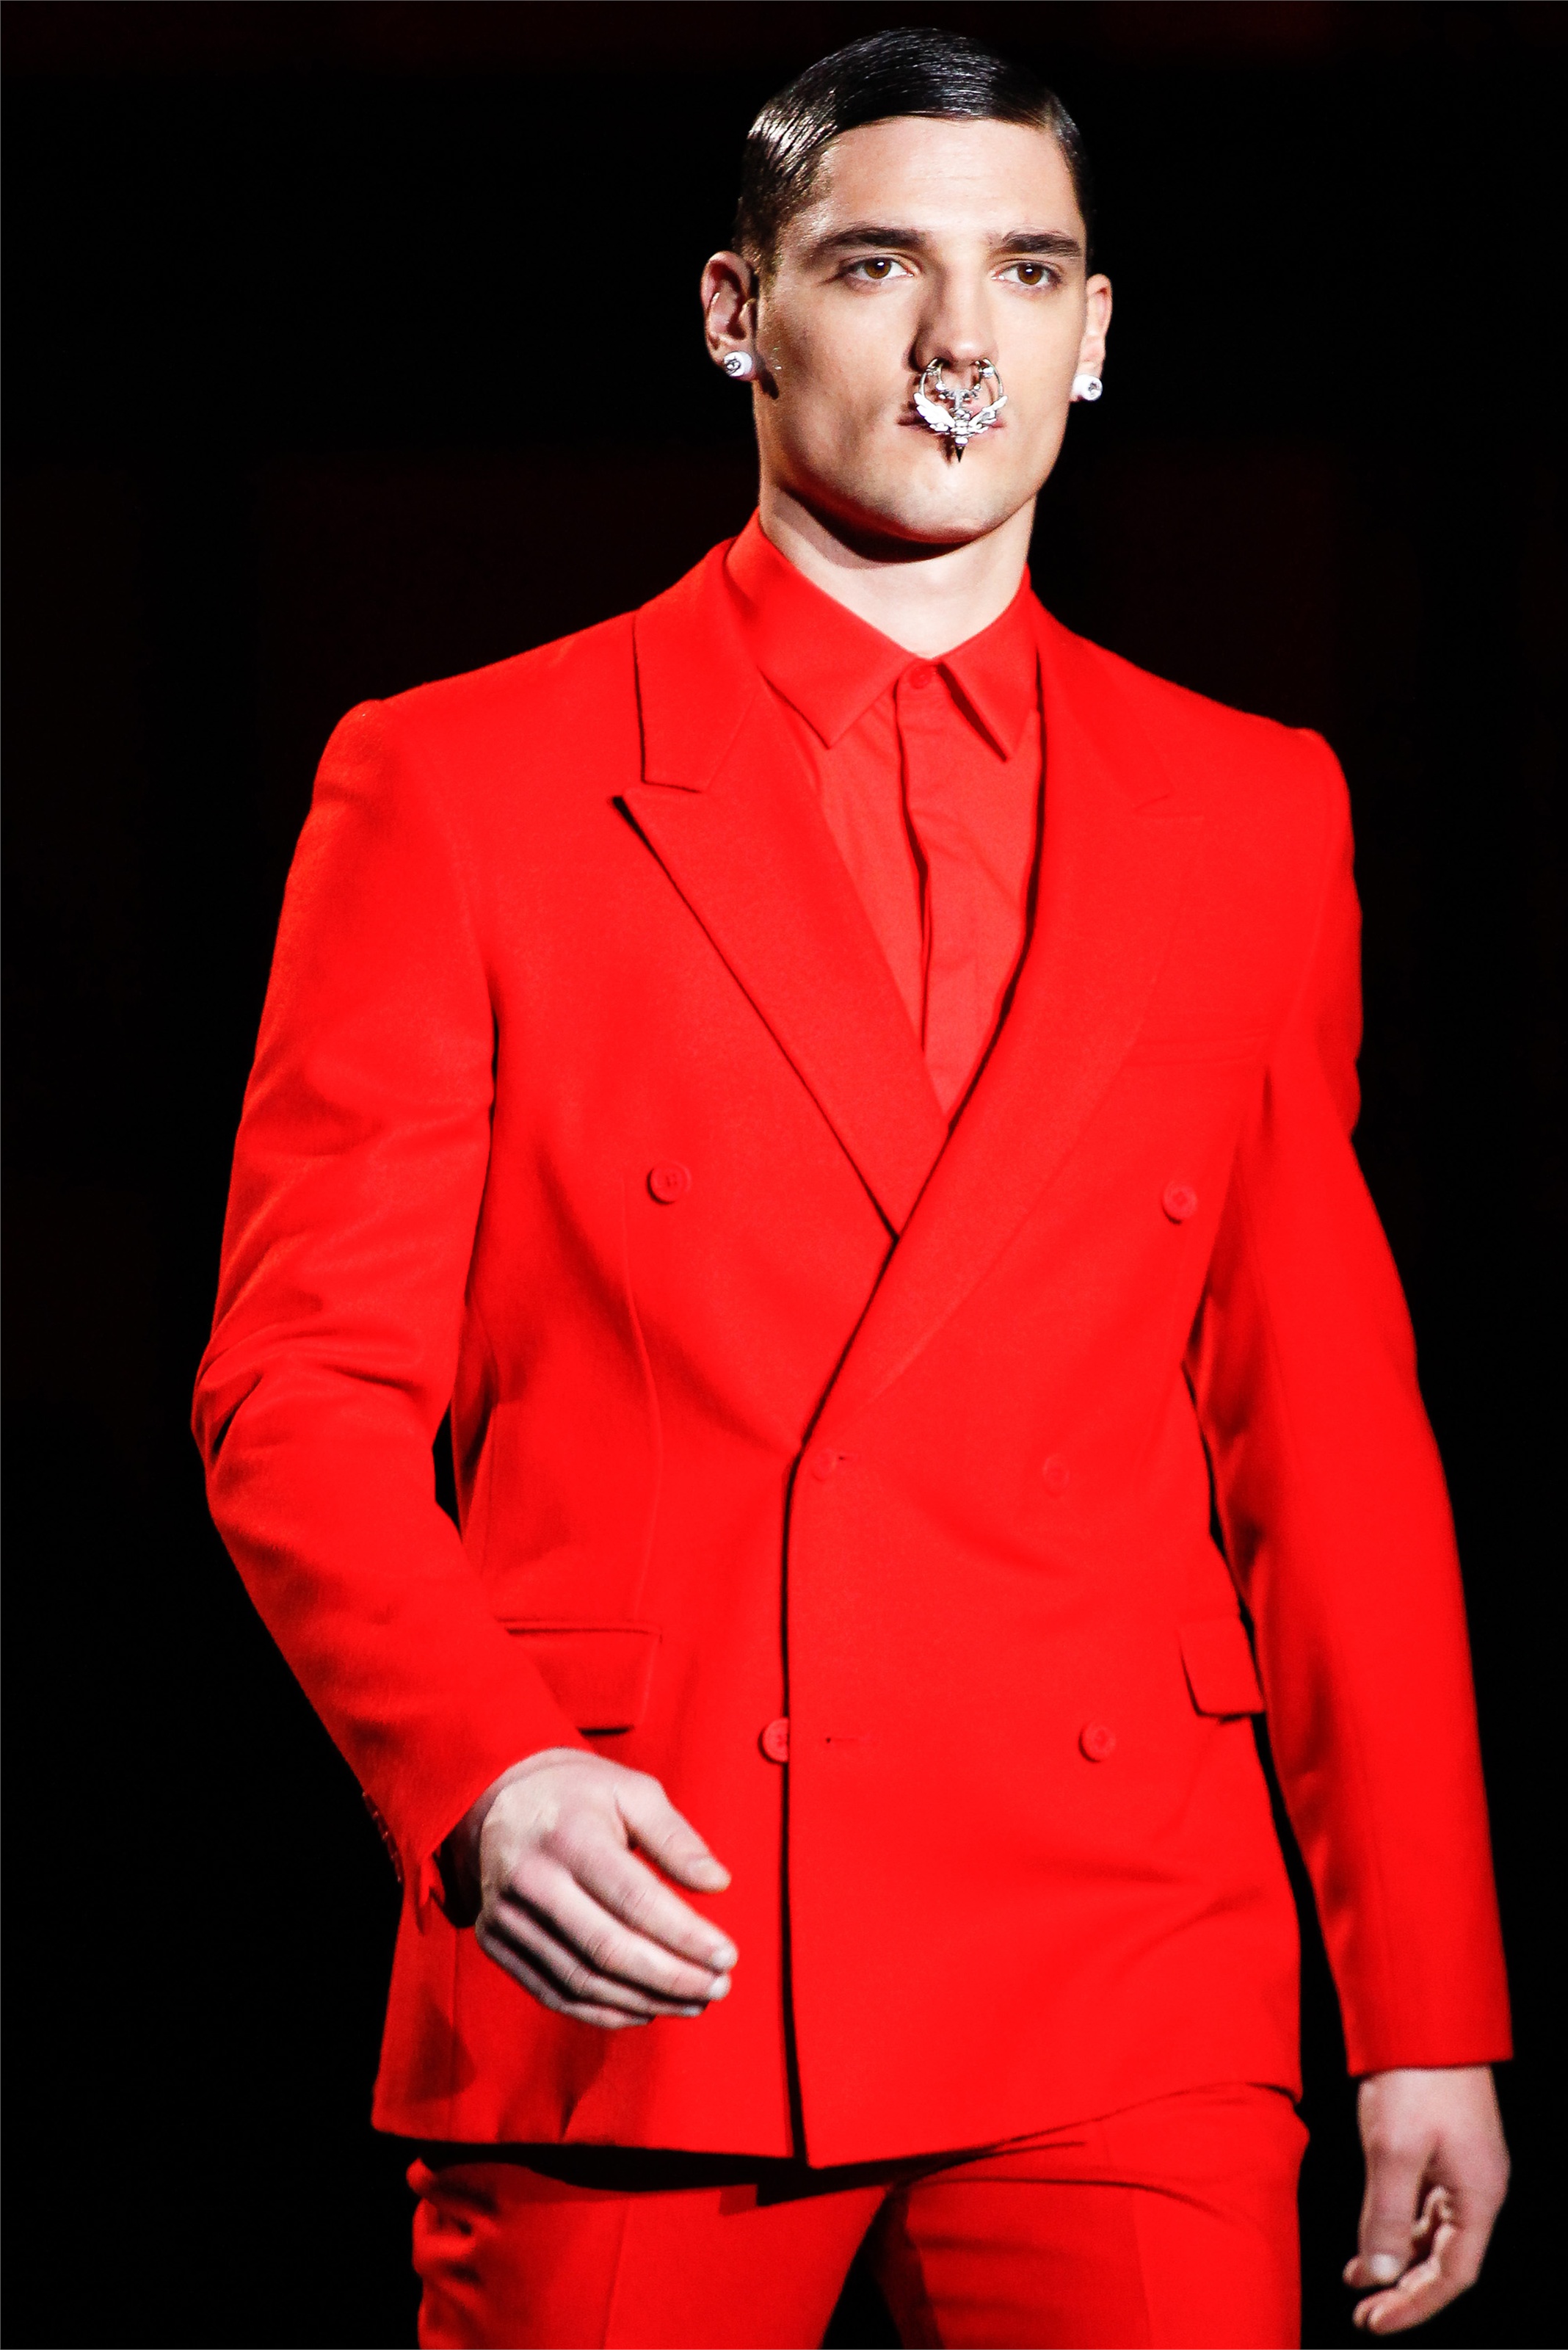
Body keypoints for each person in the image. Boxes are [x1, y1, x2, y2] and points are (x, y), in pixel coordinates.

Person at [194, 28, 1511, 2349]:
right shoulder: (459, 783)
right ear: (739, 310)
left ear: (1096, 335)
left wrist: (1423, 2003)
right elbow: (300, 1392)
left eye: (1029, 271)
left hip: (1127, 1946)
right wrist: (483, 1769)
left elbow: (1325, 1439)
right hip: (650, 1903)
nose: (957, 340)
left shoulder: (1252, 810)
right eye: (880, 262)